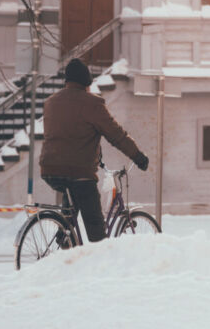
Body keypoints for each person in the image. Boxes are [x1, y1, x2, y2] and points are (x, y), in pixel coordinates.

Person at [39, 58, 149, 243]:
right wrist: (137, 156)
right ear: (86, 83)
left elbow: (67, 135)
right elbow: (116, 134)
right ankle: (97, 257)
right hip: (78, 173)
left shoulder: (51, 102)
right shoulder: (92, 104)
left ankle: (64, 248)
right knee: (96, 230)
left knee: (70, 214)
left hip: (50, 169)